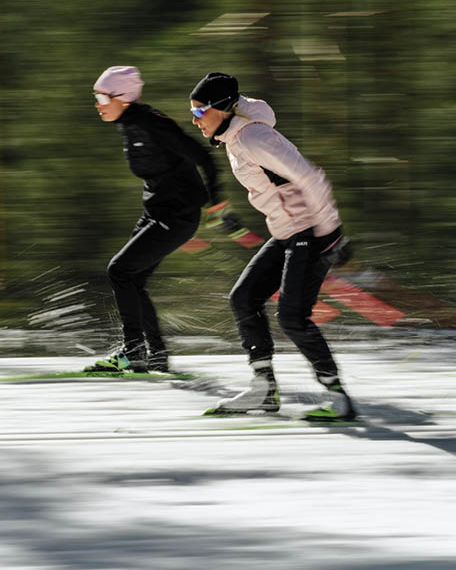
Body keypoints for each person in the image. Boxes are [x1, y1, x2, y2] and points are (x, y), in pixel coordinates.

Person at [189, 72, 355, 420]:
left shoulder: (253, 136)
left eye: (201, 112)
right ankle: (263, 388)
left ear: (222, 108)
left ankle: (336, 394)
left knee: (293, 317)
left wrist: (332, 232)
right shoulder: (237, 136)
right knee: (243, 298)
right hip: (287, 233)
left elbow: (310, 177)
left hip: (310, 232)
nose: (195, 120)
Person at [87, 65, 222, 374]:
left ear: (121, 98)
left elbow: (202, 155)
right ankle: (155, 354)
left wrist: (217, 201)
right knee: (133, 279)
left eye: (101, 97)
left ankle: (133, 351)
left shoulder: (151, 123)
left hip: (177, 214)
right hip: (159, 212)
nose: (97, 104)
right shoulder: (128, 122)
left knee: (120, 271)